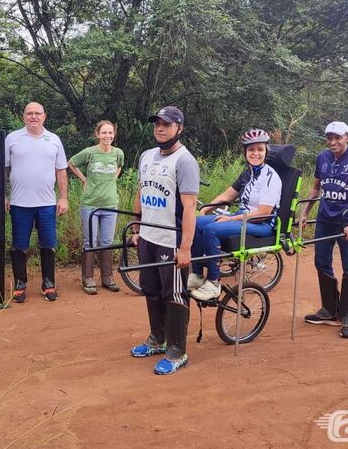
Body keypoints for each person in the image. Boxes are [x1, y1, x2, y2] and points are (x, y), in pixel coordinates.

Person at [130, 106, 199, 375]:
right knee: (150, 289)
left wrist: (185, 248)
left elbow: (190, 206)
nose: (160, 128)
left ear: (178, 128)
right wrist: (136, 228)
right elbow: (140, 191)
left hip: (171, 239)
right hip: (148, 236)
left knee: (174, 294)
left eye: (166, 124)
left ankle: (177, 351)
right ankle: (157, 339)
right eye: (157, 124)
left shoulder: (184, 161)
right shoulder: (147, 156)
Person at [299, 121, 348, 339]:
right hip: (325, 220)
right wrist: (305, 212)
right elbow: (316, 187)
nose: (333, 141)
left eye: (338, 137)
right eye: (329, 137)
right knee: (321, 262)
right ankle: (329, 310)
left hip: (347, 222)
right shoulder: (322, 158)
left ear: (347, 137)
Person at [189, 129, 282, 301]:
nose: (255, 153)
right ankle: (196, 274)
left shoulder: (271, 177)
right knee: (196, 223)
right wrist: (204, 210)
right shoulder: (247, 173)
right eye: (251, 150)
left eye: (260, 149)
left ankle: (214, 282)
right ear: (245, 152)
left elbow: (263, 213)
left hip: (262, 224)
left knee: (212, 230)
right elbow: (227, 195)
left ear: (266, 151)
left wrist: (231, 219)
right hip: (243, 218)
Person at [5, 102, 69, 303]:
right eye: (29, 113)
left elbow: (61, 171)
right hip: (19, 204)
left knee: (48, 244)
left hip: (46, 204)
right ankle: (20, 285)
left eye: (37, 113)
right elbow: (2, 169)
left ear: (44, 116)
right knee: (19, 246)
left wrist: (64, 197)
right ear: (23, 116)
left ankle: (48, 284)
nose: (34, 116)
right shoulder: (12, 139)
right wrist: (3, 196)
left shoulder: (54, 140)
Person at [68, 121, 125, 295]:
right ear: (98, 134)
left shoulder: (118, 153)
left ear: (114, 134)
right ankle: (88, 278)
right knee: (90, 241)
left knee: (107, 241)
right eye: (104, 133)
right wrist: (84, 179)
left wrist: (113, 178)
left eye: (110, 133)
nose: (107, 136)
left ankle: (107, 277)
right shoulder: (90, 152)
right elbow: (71, 163)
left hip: (110, 204)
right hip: (90, 204)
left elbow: (120, 166)